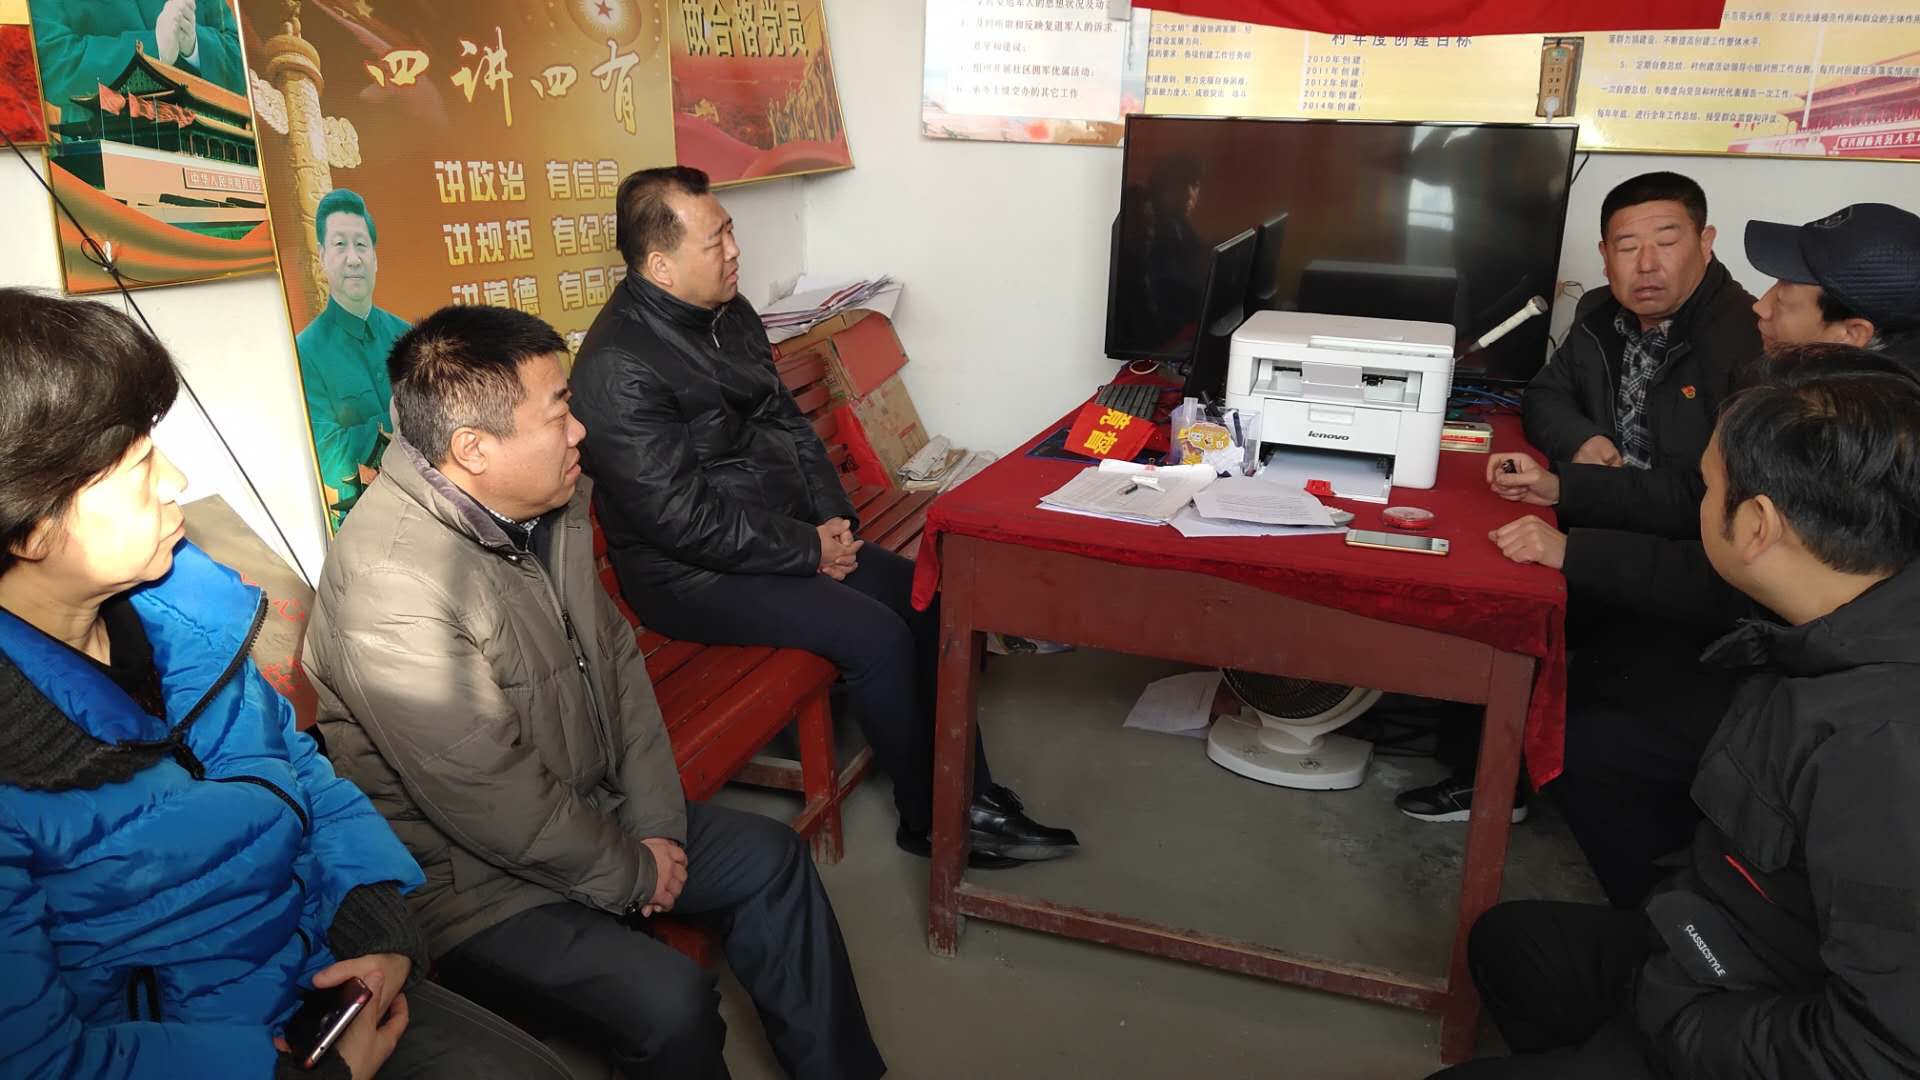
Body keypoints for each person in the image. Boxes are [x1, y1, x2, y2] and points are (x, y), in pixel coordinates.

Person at [302, 303, 885, 1080]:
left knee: (770, 859)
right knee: (672, 1000)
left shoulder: (551, 499)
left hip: (590, 806)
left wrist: (655, 825)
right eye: (558, 414)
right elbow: (486, 794)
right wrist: (635, 871)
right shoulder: (391, 583)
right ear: (472, 448)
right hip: (470, 880)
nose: (580, 431)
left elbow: (616, 664)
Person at [0, 288, 569, 1080]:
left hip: (323, 980)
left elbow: (305, 773)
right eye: (137, 468)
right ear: (31, 526)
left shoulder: (189, 623)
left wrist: (372, 918)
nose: (176, 479)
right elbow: (37, 1058)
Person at [569, 165, 1077, 868]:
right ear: (660, 265)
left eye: (731, 232)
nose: (735, 251)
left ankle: (969, 793)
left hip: (779, 540)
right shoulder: (618, 368)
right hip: (689, 576)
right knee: (875, 635)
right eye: (716, 241)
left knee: (927, 597)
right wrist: (808, 550)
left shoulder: (728, 314)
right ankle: (930, 821)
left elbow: (787, 425)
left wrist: (834, 522)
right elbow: (680, 519)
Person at [1427, 357, 1920, 1079]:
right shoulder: (1832, 630)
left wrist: (1681, 1025)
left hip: (1749, 1022)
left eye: (1708, 487)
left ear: (1756, 526)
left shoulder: (1882, 746)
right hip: (1730, 947)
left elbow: (1880, 1052)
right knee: (1513, 945)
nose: (1698, 500)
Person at [1475, 206, 1920, 905]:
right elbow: (1701, 498)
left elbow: (1734, 568)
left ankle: (1679, 920)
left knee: (1590, 738)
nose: (1762, 305)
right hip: (1793, 646)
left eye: (1786, 295)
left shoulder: (1851, 435)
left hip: (1822, 683)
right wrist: (1567, 486)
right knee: (1600, 666)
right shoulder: (1840, 394)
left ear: (1853, 335)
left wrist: (1574, 549)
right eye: (1626, 245)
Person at [1396, 171, 1761, 832]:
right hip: (1608, 513)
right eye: (1627, 246)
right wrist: (1581, 439)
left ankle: (1498, 775)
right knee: (1479, 549)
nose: (1646, 264)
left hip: (1690, 553)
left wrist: (1570, 486)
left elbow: (1704, 498)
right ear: (1604, 255)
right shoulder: (1600, 315)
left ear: (1706, 242)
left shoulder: (1741, 342)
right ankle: (1479, 763)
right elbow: (1543, 394)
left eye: (1667, 242)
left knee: (1514, 591)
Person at [295, 189, 411, 528]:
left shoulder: (408, 335)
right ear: (322, 256)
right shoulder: (306, 352)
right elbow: (328, 455)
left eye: (361, 245)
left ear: (375, 257)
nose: (353, 259)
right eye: (340, 245)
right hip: (363, 521)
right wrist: (401, 418)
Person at [31, 0, 246, 110]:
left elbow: (239, 60)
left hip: (208, 152)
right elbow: (52, 66)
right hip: (101, 156)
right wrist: (154, 48)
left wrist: (194, 46)